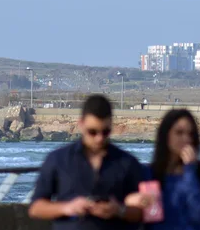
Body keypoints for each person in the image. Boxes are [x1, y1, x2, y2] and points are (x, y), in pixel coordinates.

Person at [28, 93, 144, 230]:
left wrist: (119, 210)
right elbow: (35, 208)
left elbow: (143, 213)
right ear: (81, 124)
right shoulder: (58, 159)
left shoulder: (128, 163)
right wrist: (68, 208)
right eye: (92, 132)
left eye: (105, 132)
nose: (99, 138)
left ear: (111, 125)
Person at [125, 109, 200, 230]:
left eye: (190, 134)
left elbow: (197, 214)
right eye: (179, 133)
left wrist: (189, 171)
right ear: (166, 135)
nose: (186, 139)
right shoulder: (149, 173)